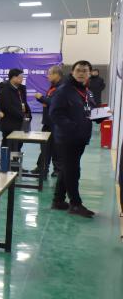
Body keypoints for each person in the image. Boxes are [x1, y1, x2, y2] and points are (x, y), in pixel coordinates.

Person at [50, 61, 96, 217]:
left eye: (85, 70)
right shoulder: (63, 91)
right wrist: (72, 127)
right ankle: (75, 204)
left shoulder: (87, 92)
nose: (81, 73)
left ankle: (58, 201)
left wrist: (101, 115)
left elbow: (90, 110)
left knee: (67, 168)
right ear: (72, 72)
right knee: (73, 170)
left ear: (90, 73)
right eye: (78, 70)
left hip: (81, 137)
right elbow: (55, 114)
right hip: (67, 138)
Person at [35, 65, 62, 177]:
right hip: (48, 122)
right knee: (45, 146)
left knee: (56, 147)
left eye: (49, 74)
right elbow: (49, 101)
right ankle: (42, 167)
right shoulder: (53, 87)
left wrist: (41, 98)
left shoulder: (61, 88)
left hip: (55, 123)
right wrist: (42, 100)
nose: (47, 76)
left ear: (56, 75)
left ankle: (58, 169)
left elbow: (54, 103)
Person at [0, 68, 31, 155]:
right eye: (20, 77)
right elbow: (7, 107)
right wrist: (21, 115)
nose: (22, 79)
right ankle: (6, 162)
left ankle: (15, 163)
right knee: (8, 145)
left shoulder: (22, 88)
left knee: (18, 145)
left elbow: (24, 103)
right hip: (9, 122)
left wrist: (28, 115)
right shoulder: (5, 89)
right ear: (13, 78)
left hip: (21, 122)